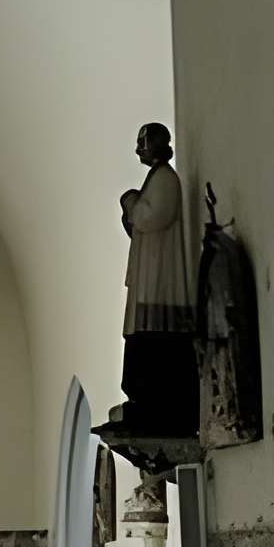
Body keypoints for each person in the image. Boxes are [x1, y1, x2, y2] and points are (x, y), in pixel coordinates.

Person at [117, 122, 199, 439]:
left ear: (155, 145)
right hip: (150, 274)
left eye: (143, 142)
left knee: (157, 342)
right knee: (144, 340)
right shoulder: (157, 177)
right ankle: (143, 404)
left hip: (160, 279)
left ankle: (158, 409)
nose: (139, 148)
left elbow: (153, 217)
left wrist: (130, 202)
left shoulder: (165, 179)